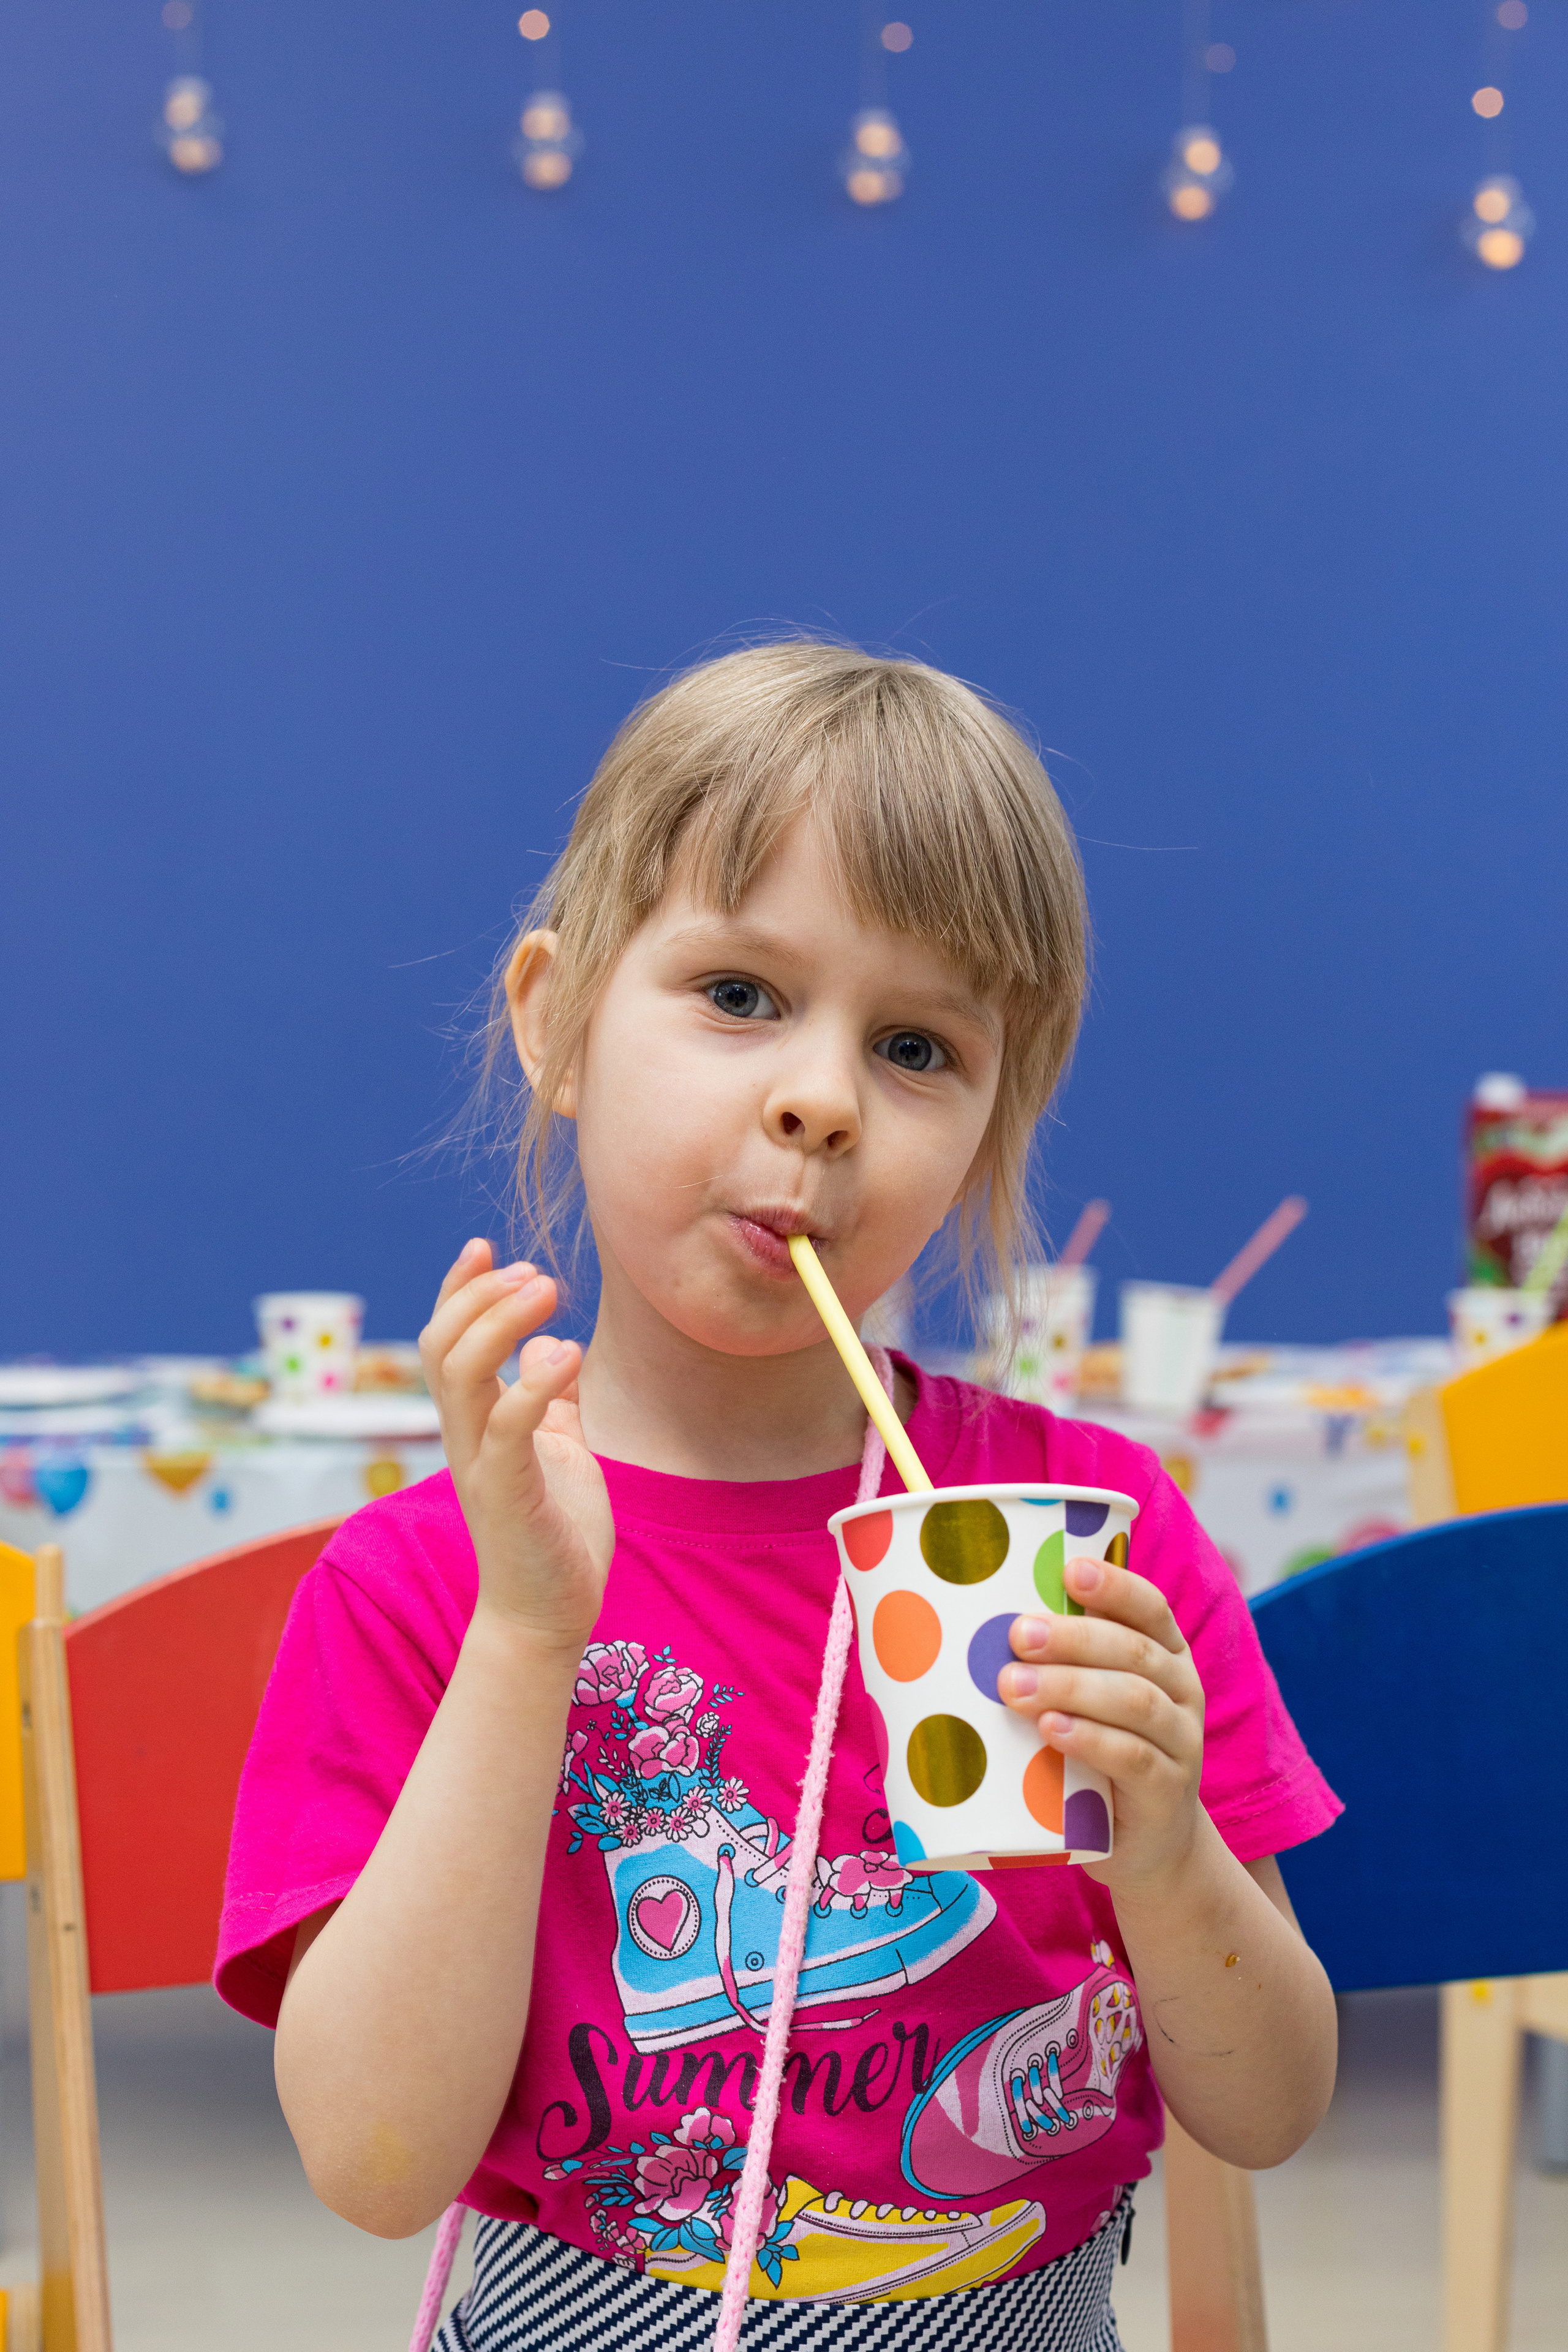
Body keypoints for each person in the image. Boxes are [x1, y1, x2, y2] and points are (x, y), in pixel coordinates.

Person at [217, 639, 1340, 2352]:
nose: (819, 1099)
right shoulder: (429, 1582)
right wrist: (526, 1638)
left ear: (988, 1126)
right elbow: (375, 2165)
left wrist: (1171, 1849)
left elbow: (1269, 2110)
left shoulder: (1097, 1534)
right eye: (740, 995)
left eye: (916, 1046)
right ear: (556, 1021)